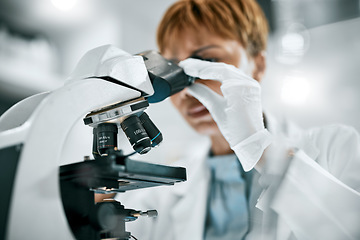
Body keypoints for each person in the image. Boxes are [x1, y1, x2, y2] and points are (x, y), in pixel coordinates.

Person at [115, 0, 360, 239]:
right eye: (173, 70)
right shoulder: (157, 194)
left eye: (207, 62)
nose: (187, 90)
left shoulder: (337, 147)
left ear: (259, 65)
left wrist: (260, 149)